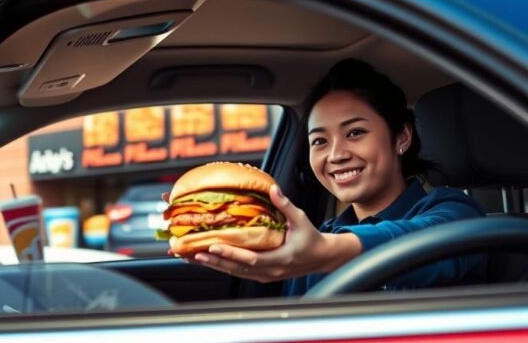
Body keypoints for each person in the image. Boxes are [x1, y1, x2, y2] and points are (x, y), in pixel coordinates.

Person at [190, 59, 487, 294]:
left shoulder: (456, 212)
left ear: (402, 137)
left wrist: (326, 251)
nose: (336, 155)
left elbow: (433, 245)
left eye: (355, 133)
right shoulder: (320, 236)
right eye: (319, 141)